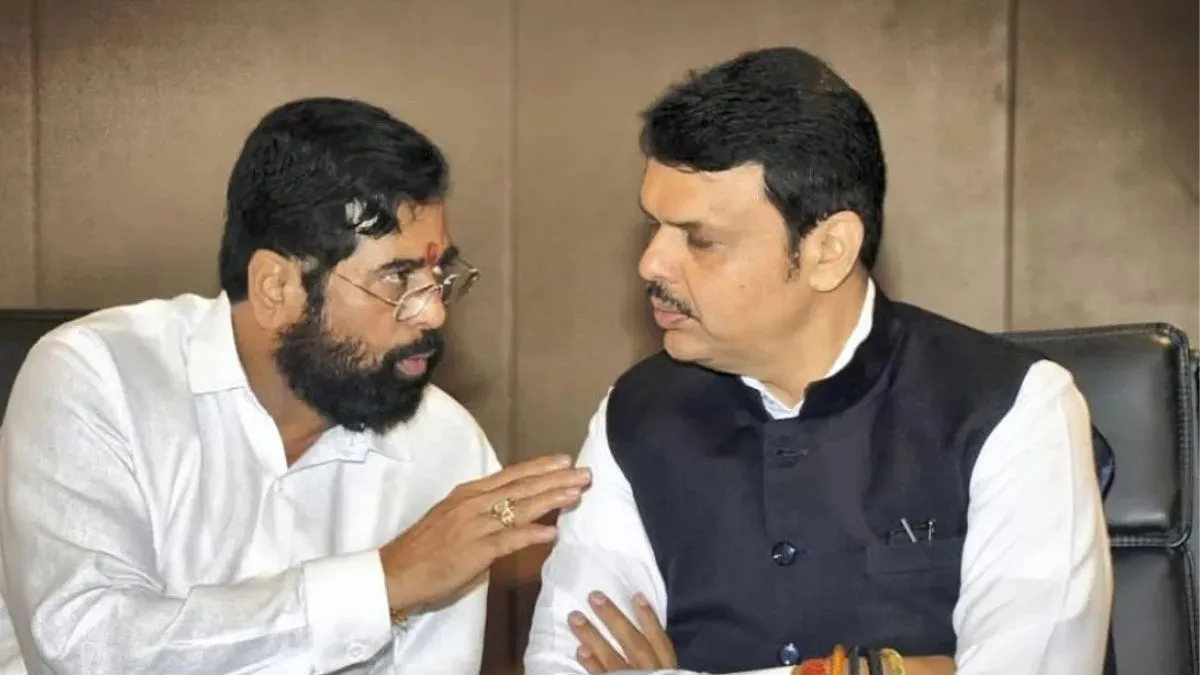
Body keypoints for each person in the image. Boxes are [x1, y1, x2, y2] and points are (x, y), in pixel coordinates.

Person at [523, 47, 1114, 675]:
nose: (652, 264)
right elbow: (565, 660)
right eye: (654, 228)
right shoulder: (634, 415)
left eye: (700, 239)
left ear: (828, 250)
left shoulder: (1014, 409)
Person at [0, 97, 591, 674]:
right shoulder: (98, 378)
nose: (434, 312)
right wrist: (385, 584)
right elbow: (84, 648)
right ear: (276, 287)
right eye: (397, 277)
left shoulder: (445, 445)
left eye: (438, 275)